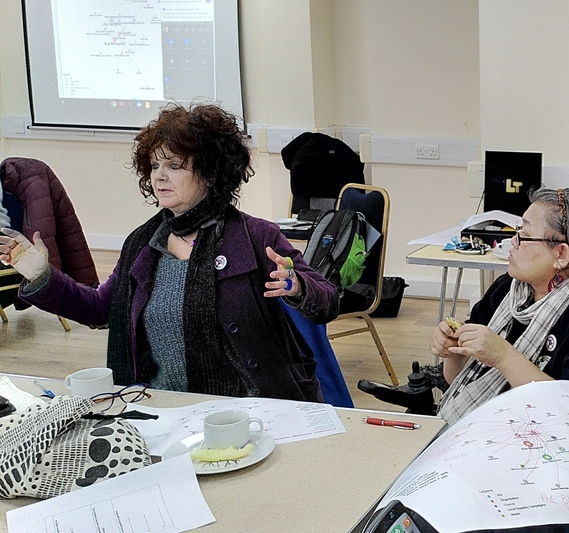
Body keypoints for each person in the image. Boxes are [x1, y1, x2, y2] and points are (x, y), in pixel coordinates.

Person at [0, 104, 338, 401]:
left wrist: (297, 287)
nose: (159, 176)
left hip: (252, 406)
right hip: (164, 408)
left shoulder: (255, 236)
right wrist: (42, 275)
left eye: (174, 166)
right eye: (155, 165)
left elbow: (327, 300)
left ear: (209, 172)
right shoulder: (142, 244)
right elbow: (101, 309)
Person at [433, 187, 569, 425]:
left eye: (524, 235)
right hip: (480, 429)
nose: (512, 241)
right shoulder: (508, 290)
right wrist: (451, 352)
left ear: (561, 254)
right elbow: (459, 382)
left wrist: (503, 356)